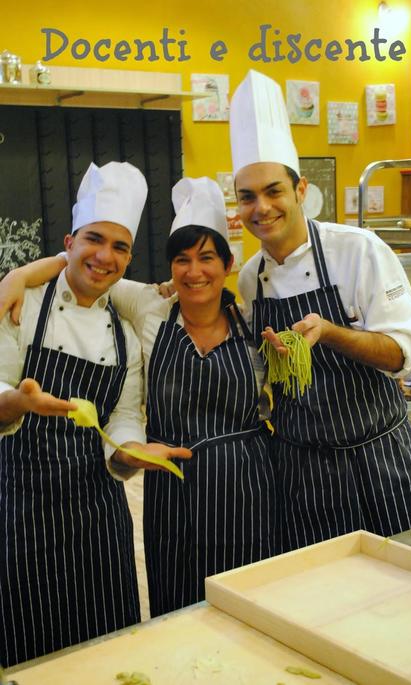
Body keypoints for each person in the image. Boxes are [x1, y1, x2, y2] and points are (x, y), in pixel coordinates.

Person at [0, 176, 277, 619]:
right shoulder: (147, 308)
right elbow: (81, 268)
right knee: (175, 608)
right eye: (181, 260)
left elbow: (126, 411)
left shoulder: (254, 321)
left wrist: (128, 446)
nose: (194, 271)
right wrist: (16, 277)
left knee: (246, 604)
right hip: (159, 486)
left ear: (228, 264)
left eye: (207, 258)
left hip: (242, 487)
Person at [229, 70, 411, 552]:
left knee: (401, 595)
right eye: (248, 196)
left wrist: (332, 333)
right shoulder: (249, 277)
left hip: (379, 461)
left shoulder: (357, 251)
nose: (262, 207)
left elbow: (405, 356)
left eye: (274, 191)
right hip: (304, 474)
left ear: (300, 191)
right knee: (320, 598)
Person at [0, 161, 190, 668]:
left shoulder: (122, 332)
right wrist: (19, 402)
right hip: (20, 508)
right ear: (69, 241)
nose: (104, 256)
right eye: (94, 239)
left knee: (108, 646)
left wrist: (129, 450)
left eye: (120, 246)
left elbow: (123, 417)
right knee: (27, 650)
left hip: (95, 515)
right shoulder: (23, 305)